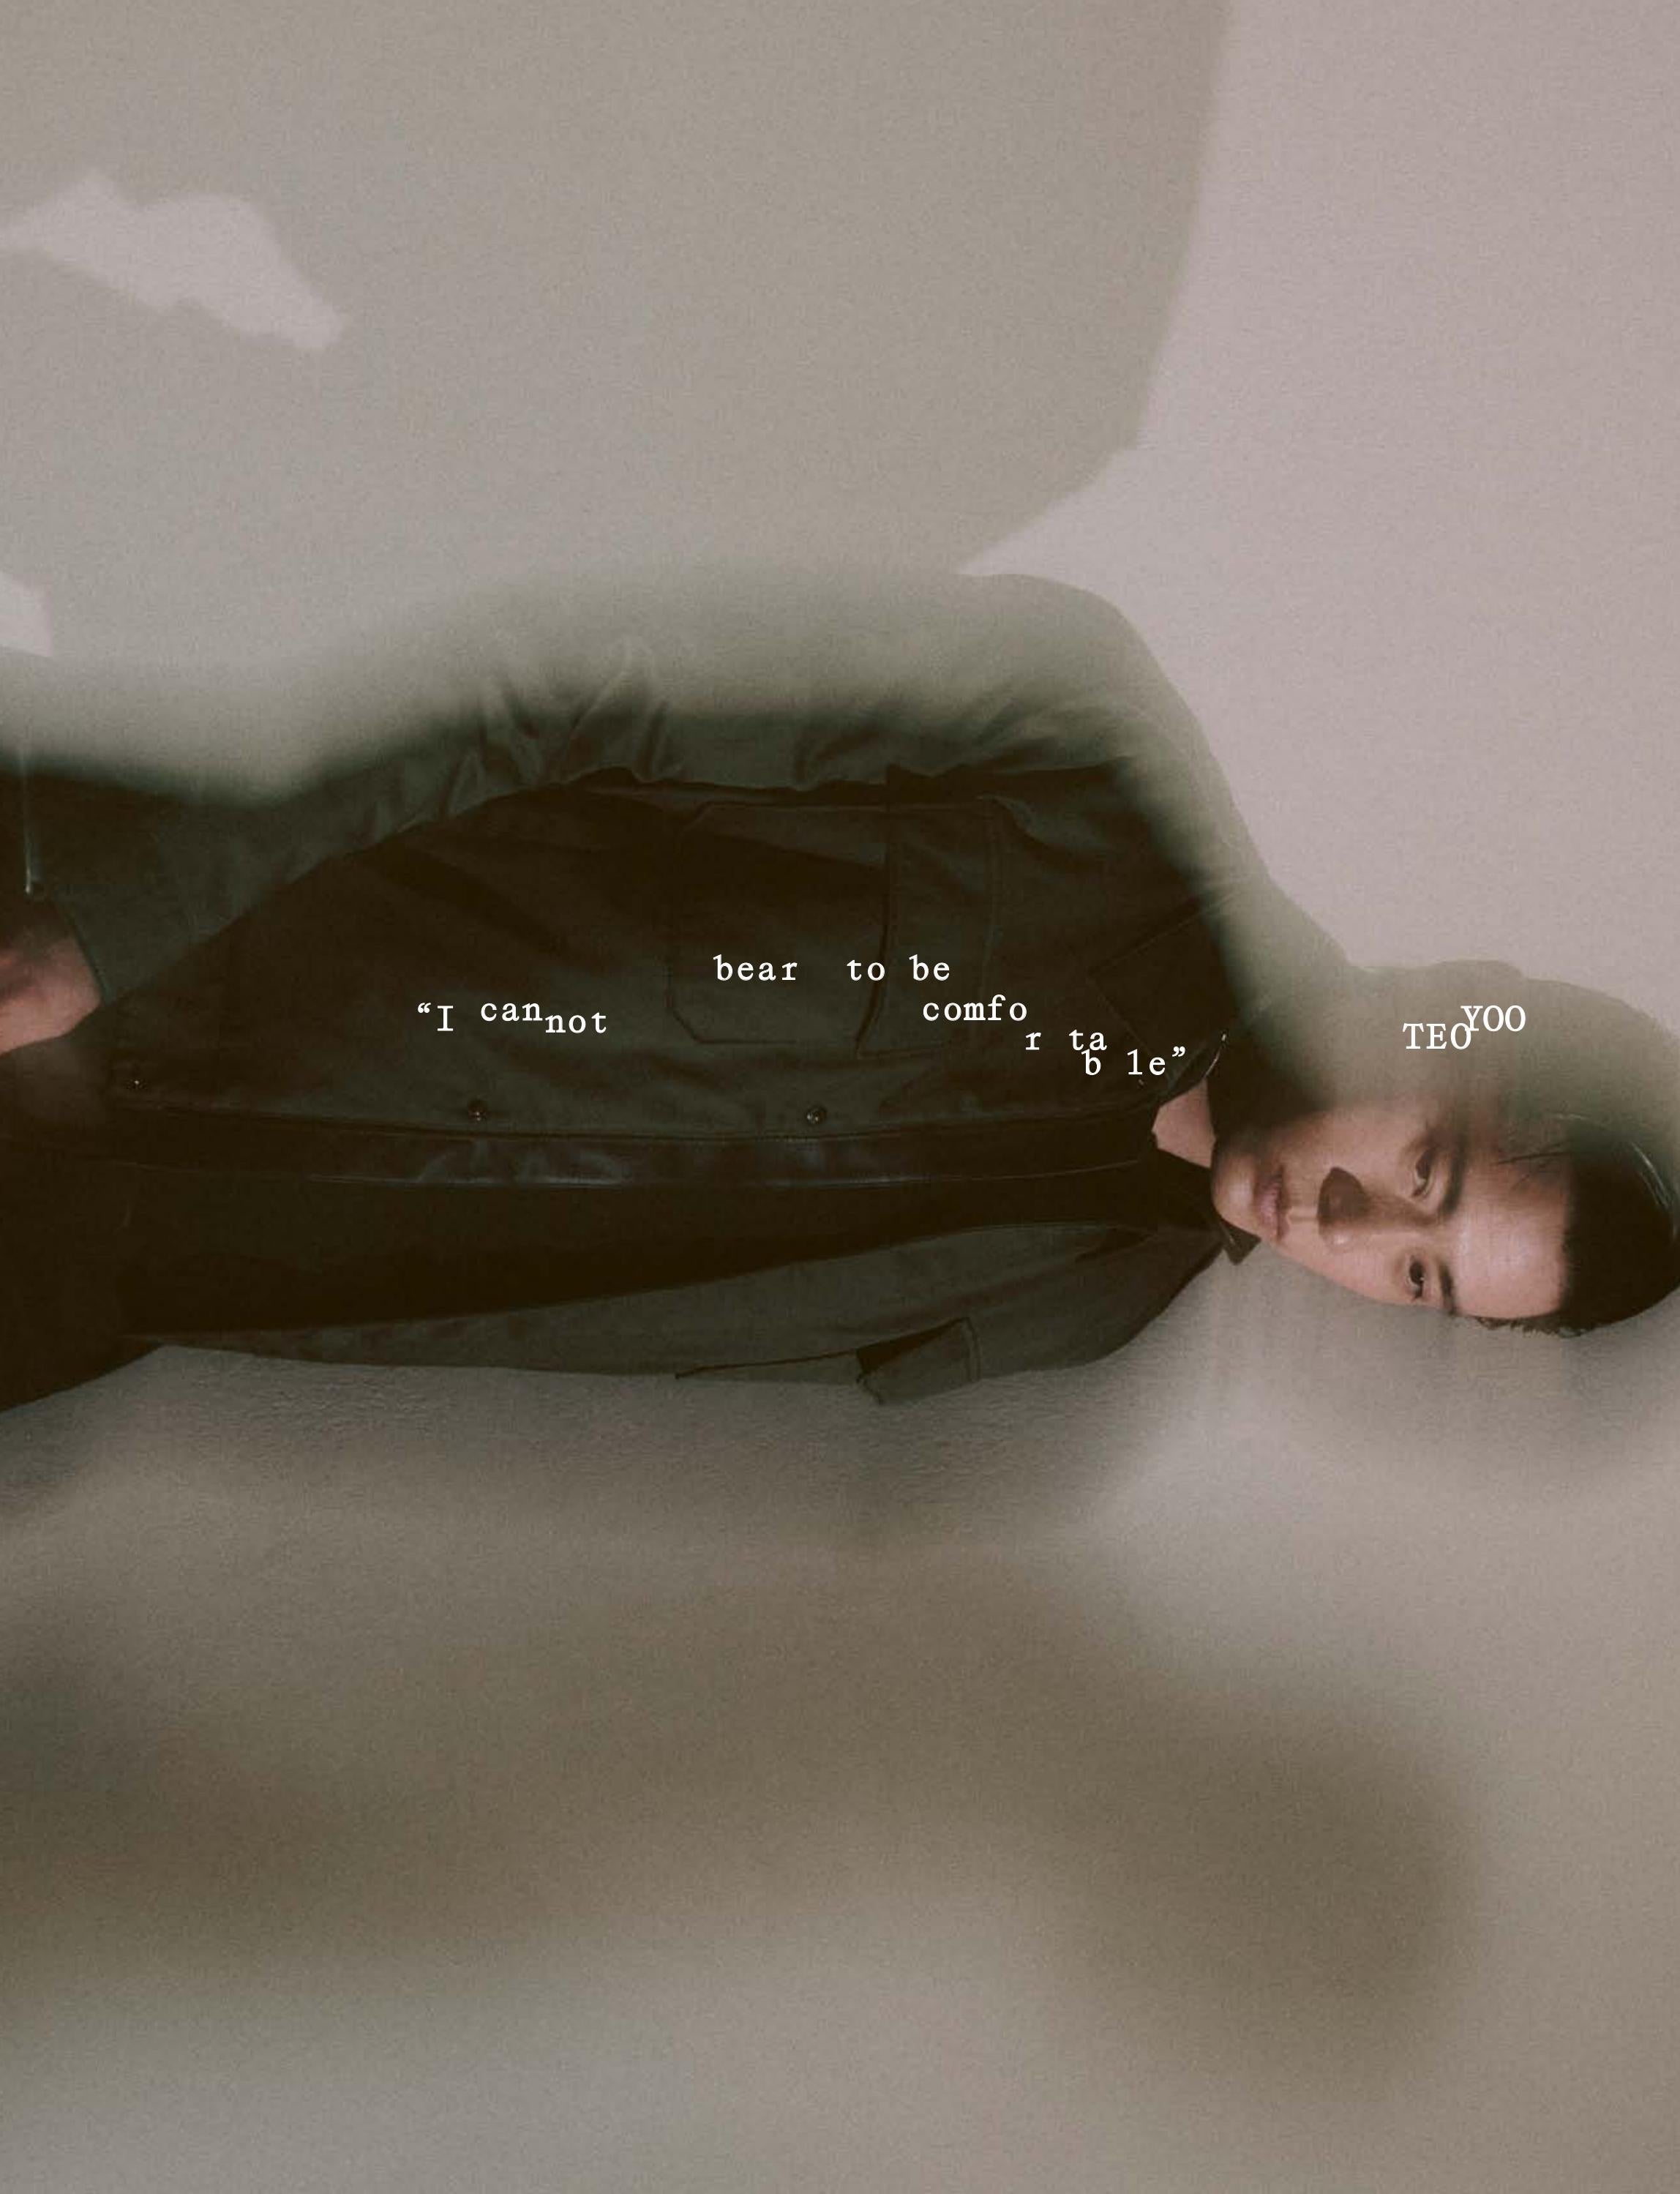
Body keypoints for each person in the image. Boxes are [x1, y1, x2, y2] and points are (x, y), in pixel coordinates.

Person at [0, 566, 1675, 1416]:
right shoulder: (1085, 746)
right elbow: (546, 679)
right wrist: (101, 929)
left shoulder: (1075, 1318)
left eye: (1417, 1275)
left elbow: (551, 1331)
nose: (1349, 1222)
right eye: (1423, 1166)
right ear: (1455, 1005)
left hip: (81, 1273)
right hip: (70, 927)